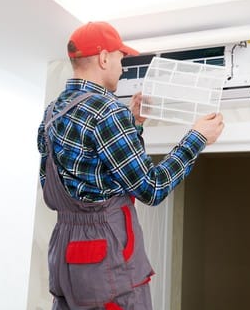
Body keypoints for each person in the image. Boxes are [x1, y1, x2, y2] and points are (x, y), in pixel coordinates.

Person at [37, 21, 224, 310]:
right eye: (120, 59)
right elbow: (152, 187)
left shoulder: (52, 112)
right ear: (103, 58)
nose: (123, 68)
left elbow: (87, 173)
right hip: (105, 262)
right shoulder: (107, 110)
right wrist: (196, 138)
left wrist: (133, 124)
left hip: (65, 259)